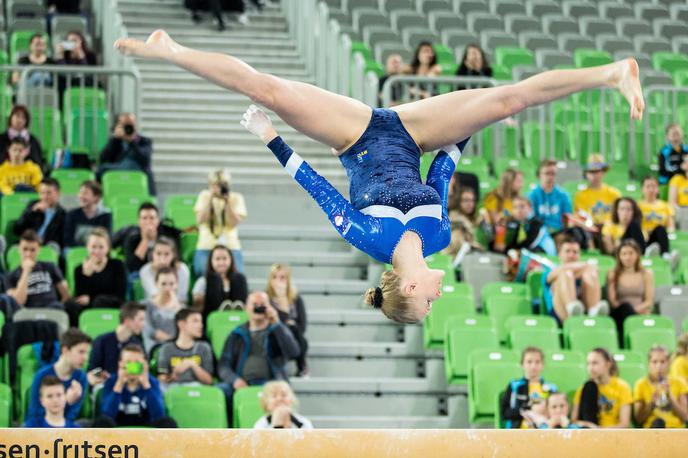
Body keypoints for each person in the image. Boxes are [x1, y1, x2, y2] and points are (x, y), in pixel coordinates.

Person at [114, 30, 644, 324]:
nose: (438, 296)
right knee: (506, 96)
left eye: (428, 301)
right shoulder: (437, 236)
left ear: (409, 286)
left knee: (267, 91)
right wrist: (474, 124)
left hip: (355, 134)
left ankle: (170, 50)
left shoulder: (371, 238)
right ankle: (611, 72)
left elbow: (319, 190)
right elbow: (443, 172)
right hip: (414, 134)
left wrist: (269, 137)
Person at [217, 291, 300, 424]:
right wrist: (234, 380)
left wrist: (277, 323)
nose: (258, 308)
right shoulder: (236, 334)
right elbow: (223, 365)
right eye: (255, 304)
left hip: (272, 383)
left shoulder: (276, 330)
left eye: (262, 305)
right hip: (242, 382)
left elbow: (294, 352)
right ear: (246, 308)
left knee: (282, 393)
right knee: (221, 391)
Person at [27, 329, 100, 422]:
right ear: (65, 350)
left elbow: (71, 416)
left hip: (66, 427)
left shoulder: (81, 377)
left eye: (87, 353)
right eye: (81, 352)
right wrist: (65, 401)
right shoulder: (42, 375)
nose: (85, 358)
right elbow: (34, 414)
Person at [98, 344, 176, 427]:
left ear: (144, 364)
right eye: (128, 362)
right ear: (120, 364)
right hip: (118, 424)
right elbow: (107, 415)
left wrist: (146, 385)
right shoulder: (112, 381)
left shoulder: (151, 382)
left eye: (137, 363)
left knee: (168, 423)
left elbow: (159, 415)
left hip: (146, 424)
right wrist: (119, 384)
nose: (132, 366)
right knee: (101, 422)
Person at [67, 228, 127, 326]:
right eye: (93, 247)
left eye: (101, 247)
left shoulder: (117, 265)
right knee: (71, 305)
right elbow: (81, 296)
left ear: (108, 248)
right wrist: (85, 276)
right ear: (87, 247)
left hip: (112, 302)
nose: (97, 251)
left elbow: (120, 294)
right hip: (89, 304)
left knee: (99, 301)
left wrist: (92, 298)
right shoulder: (79, 269)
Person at [542, 236, 609, 323]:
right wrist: (586, 265)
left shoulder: (586, 271)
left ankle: (593, 310)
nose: (571, 255)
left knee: (590, 274)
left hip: (584, 310)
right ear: (559, 254)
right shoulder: (551, 271)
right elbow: (562, 270)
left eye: (575, 252)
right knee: (565, 274)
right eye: (567, 251)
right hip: (560, 314)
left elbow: (594, 268)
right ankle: (571, 307)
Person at [193, 169, 247, 276]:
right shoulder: (204, 196)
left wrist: (227, 202)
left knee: (237, 275)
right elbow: (200, 219)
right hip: (207, 245)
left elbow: (233, 223)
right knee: (202, 272)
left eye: (223, 185)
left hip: (230, 246)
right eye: (216, 185)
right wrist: (210, 199)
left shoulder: (236, 198)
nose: (219, 188)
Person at [607, 240, 654, 345]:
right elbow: (613, 301)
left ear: (637, 254)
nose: (628, 257)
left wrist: (634, 311)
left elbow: (649, 301)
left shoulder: (646, 274)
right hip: (619, 312)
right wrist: (631, 311)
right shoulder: (613, 274)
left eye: (631, 253)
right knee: (626, 307)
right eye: (624, 254)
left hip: (640, 311)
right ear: (619, 256)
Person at [8, 230, 70, 309]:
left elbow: (66, 294)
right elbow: (19, 302)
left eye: (32, 250)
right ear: (19, 249)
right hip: (28, 311)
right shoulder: (11, 275)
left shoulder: (50, 266)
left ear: (38, 250)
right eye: (25, 249)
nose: (28, 254)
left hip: (52, 307)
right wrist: (26, 272)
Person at [97, 112, 156, 195]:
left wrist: (132, 142)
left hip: (139, 171)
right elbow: (103, 159)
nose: (128, 128)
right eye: (125, 124)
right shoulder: (115, 141)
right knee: (101, 170)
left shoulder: (145, 141)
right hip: (118, 171)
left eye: (130, 124)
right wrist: (115, 139)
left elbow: (145, 160)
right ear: (119, 125)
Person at [572, 348, 632, 428]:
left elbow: (624, 424)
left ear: (608, 364)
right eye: (588, 364)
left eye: (595, 363)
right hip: (591, 434)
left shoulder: (622, 387)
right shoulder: (584, 389)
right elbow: (574, 420)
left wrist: (600, 431)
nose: (590, 368)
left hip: (614, 435)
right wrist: (589, 425)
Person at [266, 264, 308, 377]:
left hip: (294, 337)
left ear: (288, 280)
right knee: (288, 328)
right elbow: (272, 323)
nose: (278, 281)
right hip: (273, 336)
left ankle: (302, 367)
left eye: (282, 277)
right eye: (274, 277)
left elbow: (302, 326)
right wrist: (283, 303)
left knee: (295, 331)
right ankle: (297, 366)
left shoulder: (296, 299)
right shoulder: (266, 298)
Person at [500, 347, 557, 429]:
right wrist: (528, 409)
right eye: (529, 362)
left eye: (537, 362)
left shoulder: (551, 388)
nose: (533, 366)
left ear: (543, 365)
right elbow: (505, 413)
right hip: (518, 432)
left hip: (544, 432)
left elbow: (556, 413)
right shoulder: (514, 386)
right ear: (522, 364)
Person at [633, 345, 688, 428]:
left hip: (675, 431)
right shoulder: (641, 384)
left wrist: (670, 397)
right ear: (648, 364)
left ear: (669, 363)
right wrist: (652, 403)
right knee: (658, 423)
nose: (659, 366)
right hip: (652, 431)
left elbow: (685, 417)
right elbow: (638, 420)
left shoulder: (679, 382)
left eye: (662, 362)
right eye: (654, 362)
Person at [157, 309, 214, 387]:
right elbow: (162, 379)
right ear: (181, 324)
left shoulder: (204, 347)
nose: (201, 325)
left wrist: (192, 365)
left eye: (201, 321)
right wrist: (172, 376)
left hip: (198, 389)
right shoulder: (166, 348)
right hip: (174, 388)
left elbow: (209, 381)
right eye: (195, 321)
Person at [88, 302, 146, 378]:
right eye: (141, 319)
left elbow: (141, 368)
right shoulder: (102, 341)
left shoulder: (137, 343)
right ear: (128, 321)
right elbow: (93, 369)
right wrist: (102, 375)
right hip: (104, 384)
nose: (143, 324)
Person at [192, 245, 248, 321]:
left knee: (239, 277)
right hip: (213, 317)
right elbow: (197, 304)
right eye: (217, 259)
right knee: (214, 278)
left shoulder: (239, 279)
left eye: (224, 258)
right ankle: (222, 310)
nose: (221, 262)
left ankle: (237, 311)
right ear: (211, 261)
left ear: (231, 260)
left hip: (236, 319)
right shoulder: (203, 281)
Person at [121, 202, 180, 274]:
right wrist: (145, 240)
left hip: (166, 271)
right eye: (144, 218)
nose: (148, 222)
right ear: (139, 221)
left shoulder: (169, 234)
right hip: (141, 273)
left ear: (158, 220)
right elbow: (132, 267)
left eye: (152, 218)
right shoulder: (132, 237)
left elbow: (176, 259)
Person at [574, 154, 622, 233]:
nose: (594, 175)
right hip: (590, 230)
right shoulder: (580, 195)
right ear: (586, 174)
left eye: (597, 171)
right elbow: (580, 217)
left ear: (603, 172)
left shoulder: (614, 193)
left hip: (611, 230)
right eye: (591, 172)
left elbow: (620, 217)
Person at [13, 178, 66, 249]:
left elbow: (61, 240)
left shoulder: (63, 215)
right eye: (42, 193)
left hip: (47, 247)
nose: (44, 197)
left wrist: (41, 241)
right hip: (28, 243)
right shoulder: (32, 206)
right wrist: (31, 212)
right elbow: (17, 230)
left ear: (58, 194)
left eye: (49, 193)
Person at [143, 267, 183, 353]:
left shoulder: (181, 308)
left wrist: (177, 307)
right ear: (156, 284)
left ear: (177, 284)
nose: (168, 288)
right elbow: (149, 331)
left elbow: (185, 329)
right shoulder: (146, 305)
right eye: (163, 284)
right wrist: (172, 341)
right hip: (154, 346)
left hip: (177, 348)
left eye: (172, 284)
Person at [139, 237, 190, 302]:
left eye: (167, 254)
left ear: (173, 255)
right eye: (158, 254)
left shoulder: (182, 269)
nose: (162, 259)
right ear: (152, 254)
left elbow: (182, 297)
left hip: (177, 305)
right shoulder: (145, 270)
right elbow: (154, 295)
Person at [63, 180, 112, 248]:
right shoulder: (72, 214)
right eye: (80, 192)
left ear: (96, 197)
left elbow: (106, 239)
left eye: (85, 193)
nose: (81, 196)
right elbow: (68, 240)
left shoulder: (105, 216)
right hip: (75, 250)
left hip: (97, 250)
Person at [529, 159, 572, 233]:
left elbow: (567, 219)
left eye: (553, 174)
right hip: (539, 233)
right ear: (539, 174)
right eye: (547, 173)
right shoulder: (532, 196)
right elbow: (531, 221)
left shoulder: (563, 195)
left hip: (559, 233)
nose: (550, 177)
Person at [638, 176, 675, 257]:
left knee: (660, 228)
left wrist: (669, 231)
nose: (651, 189)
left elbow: (671, 226)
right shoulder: (637, 206)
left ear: (658, 189)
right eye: (648, 186)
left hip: (659, 235)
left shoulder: (666, 206)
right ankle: (647, 250)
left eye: (654, 186)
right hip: (644, 237)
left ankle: (665, 254)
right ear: (642, 189)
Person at [484, 168, 524, 235]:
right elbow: (496, 222)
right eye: (519, 181)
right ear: (509, 181)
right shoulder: (493, 197)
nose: (522, 185)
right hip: (496, 235)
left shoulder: (517, 198)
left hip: (513, 233)